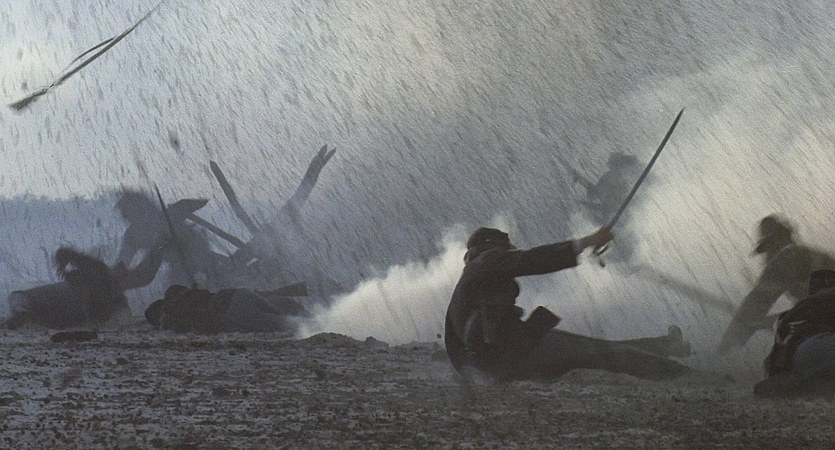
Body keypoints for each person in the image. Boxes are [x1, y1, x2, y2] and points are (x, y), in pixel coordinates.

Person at [444, 226, 691, 382]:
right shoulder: (487, 260)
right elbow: (533, 259)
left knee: (599, 350)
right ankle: (684, 376)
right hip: (514, 353)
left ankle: (666, 345)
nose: (510, 252)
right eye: (506, 249)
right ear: (492, 248)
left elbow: (455, 343)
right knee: (605, 353)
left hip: (502, 358)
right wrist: (586, 241)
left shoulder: (470, 277)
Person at [718, 214, 835, 352]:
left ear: (776, 241)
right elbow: (817, 307)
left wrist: (724, 349)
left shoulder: (786, 258)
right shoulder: (811, 256)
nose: (765, 258)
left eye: (766, 249)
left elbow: (754, 305)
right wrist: (774, 320)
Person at [5, 246, 162, 329]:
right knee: (23, 301)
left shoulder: (109, 292)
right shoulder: (99, 279)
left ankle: (24, 315)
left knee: (25, 303)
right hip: (59, 309)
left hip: (66, 314)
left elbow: (121, 318)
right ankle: (24, 315)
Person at [754, 269, 835, 398]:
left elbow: (782, 339)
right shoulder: (824, 298)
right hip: (816, 349)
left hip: (800, 359)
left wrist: (778, 373)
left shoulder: (802, 306)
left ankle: (803, 385)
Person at [144, 283, 308, 334]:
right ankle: (315, 316)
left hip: (230, 310)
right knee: (279, 311)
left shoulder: (172, 313)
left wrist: (164, 325)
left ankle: (317, 325)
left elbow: (179, 326)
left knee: (283, 324)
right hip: (237, 293)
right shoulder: (181, 294)